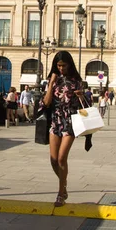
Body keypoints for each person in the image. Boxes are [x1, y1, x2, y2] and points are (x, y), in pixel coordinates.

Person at [41, 50, 86, 207]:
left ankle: (61, 193)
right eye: (58, 65)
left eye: (64, 65)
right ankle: (64, 182)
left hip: (70, 121)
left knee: (61, 158)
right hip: (55, 121)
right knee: (53, 160)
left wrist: (81, 96)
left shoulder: (76, 81)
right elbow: (45, 103)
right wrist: (51, 83)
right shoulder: (52, 80)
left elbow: (86, 105)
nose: (61, 68)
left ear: (69, 65)